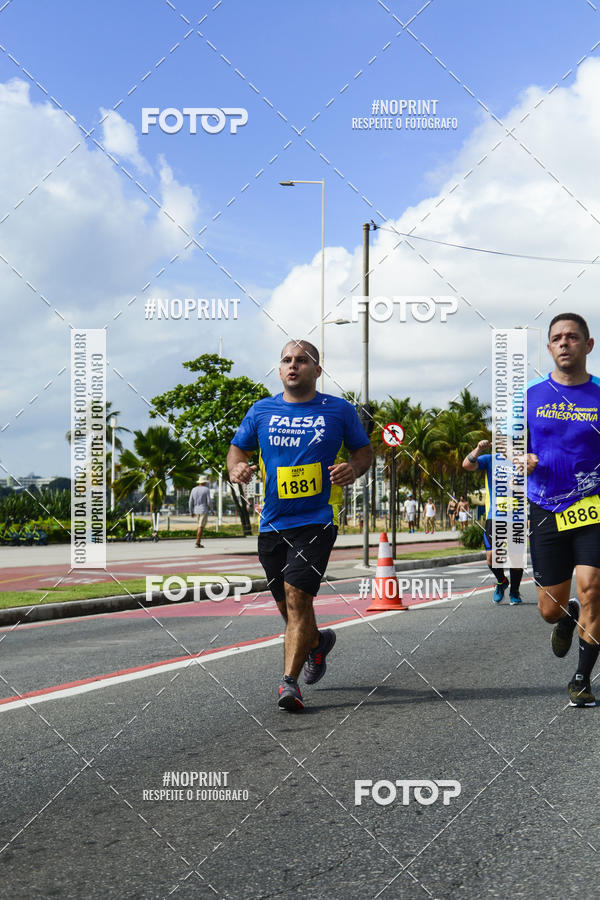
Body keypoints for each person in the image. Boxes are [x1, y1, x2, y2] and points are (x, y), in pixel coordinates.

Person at [227, 339, 372, 712]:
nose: (294, 365)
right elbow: (237, 449)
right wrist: (236, 467)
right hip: (273, 523)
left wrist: (353, 468)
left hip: (316, 521)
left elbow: (364, 451)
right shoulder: (261, 411)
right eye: (287, 360)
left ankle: (288, 684)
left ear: (317, 371)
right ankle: (317, 642)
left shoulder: (338, 411)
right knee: (287, 608)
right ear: (279, 370)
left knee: (298, 597)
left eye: (303, 360)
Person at [526, 312, 600, 707]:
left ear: (588, 345)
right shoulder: (531, 395)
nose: (564, 343)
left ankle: (581, 679)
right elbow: (506, 442)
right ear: (549, 347)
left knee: (593, 589)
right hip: (545, 507)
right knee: (549, 610)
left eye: (572, 337)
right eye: (556, 338)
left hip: (594, 508)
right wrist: (519, 457)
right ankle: (565, 616)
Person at [462, 439, 523, 605]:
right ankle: (502, 581)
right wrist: (478, 449)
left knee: (516, 559)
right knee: (491, 557)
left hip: (517, 516)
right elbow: (467, 465)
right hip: (495, 515)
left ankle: (515, 591)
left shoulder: (523, 460)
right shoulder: (490, 459)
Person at [189, 475, 213, 548]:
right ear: (205, 482)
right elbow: (209, 501)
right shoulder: (206, 489)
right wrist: (212, 510)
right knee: (201, 526)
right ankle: (197, 542)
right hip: (203, 510)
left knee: (199, 526)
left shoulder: (193, 489)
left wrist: (191, 512)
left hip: (196, 510)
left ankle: (198, 542)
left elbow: (190, 501)